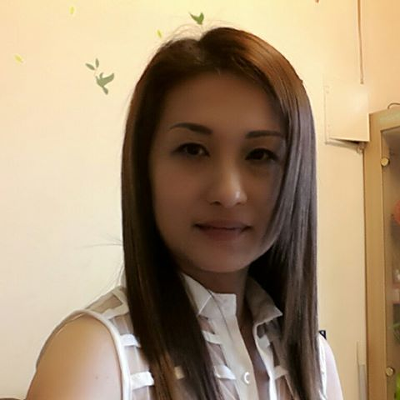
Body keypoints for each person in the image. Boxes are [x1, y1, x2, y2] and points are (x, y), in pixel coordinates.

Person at [26, 26, 343, 400]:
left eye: (260, 155)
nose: (228, 193)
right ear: (144, 169)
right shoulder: (95, 356)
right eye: (193, 149)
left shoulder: (315, 361)